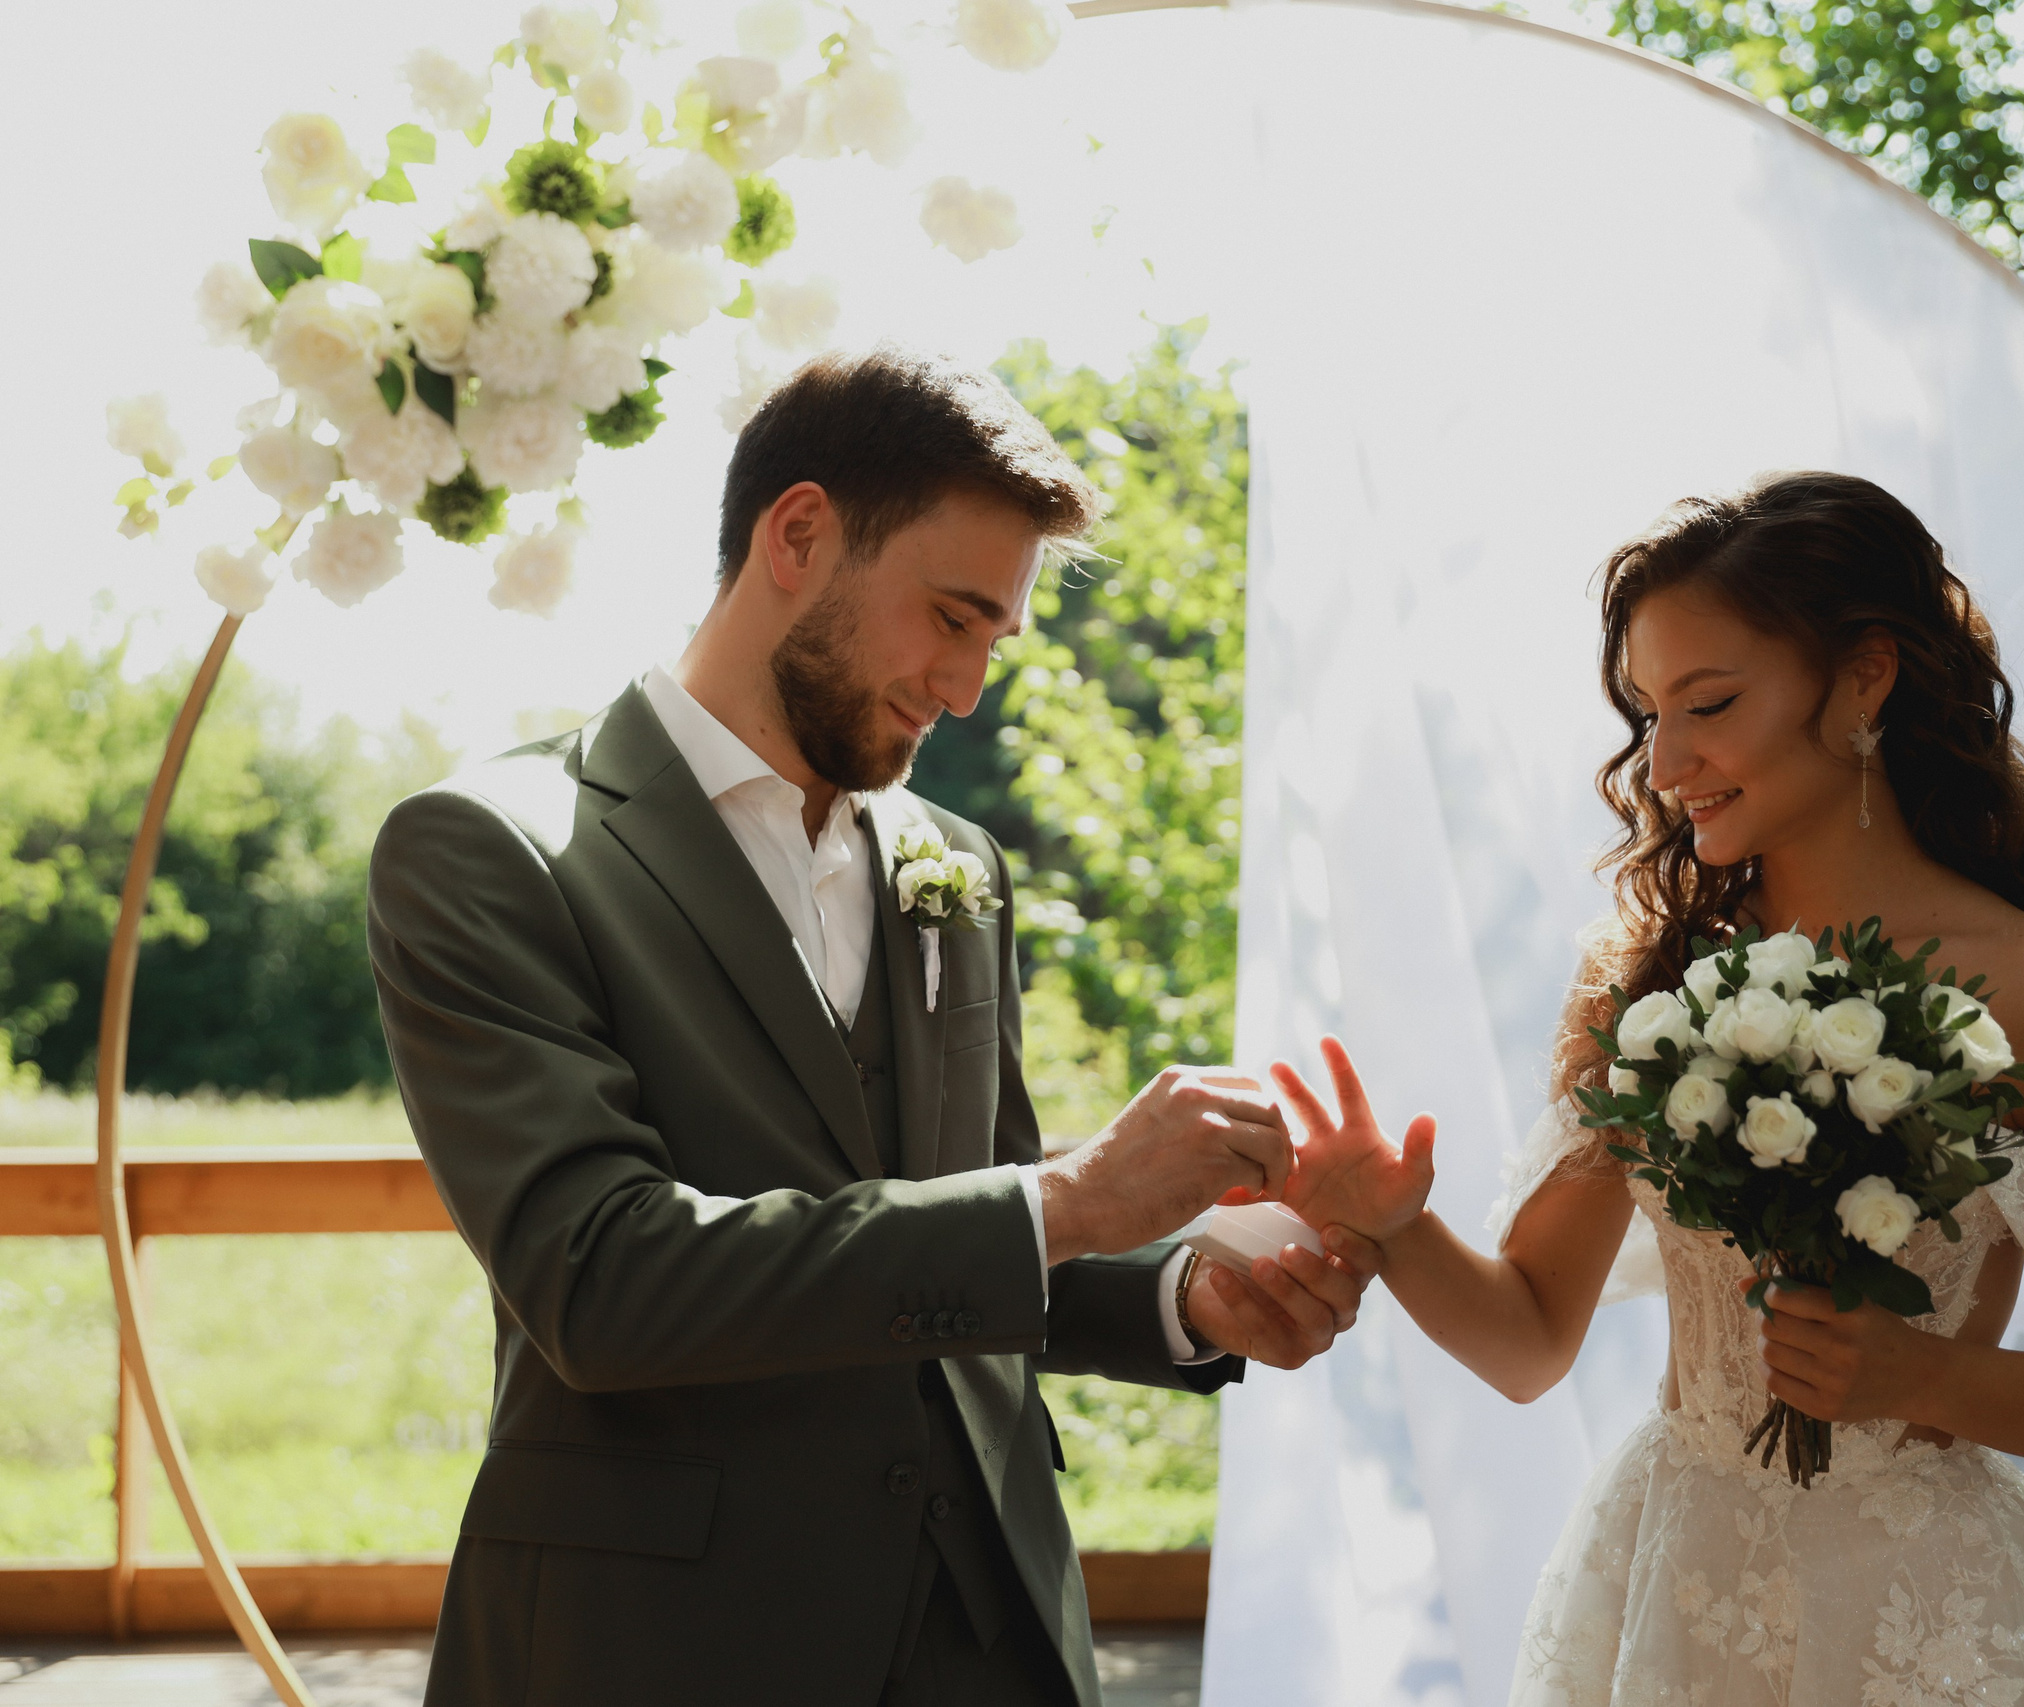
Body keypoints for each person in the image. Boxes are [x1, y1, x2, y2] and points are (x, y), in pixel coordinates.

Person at [367, 345, 1372, 1707]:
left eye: (993, 640)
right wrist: (1077, 1193)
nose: (965, 688)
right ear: (798, 534)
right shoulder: (492, 849)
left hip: (992, 1637)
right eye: (951, 616)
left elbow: (983, 1238)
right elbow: (601, 1281)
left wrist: (1188, 1295)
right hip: (660, 1647)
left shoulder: (957, 862)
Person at [1276, 472, 2024, 1704]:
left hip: (1927, 1612)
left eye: (1710, 704)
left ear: (1862, 678)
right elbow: (1525, 1340)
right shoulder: (1646, 972)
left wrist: (1924, 1378)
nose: (1666, 762)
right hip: (1671, 1589)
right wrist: (1394, 1226)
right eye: (1646, 714)